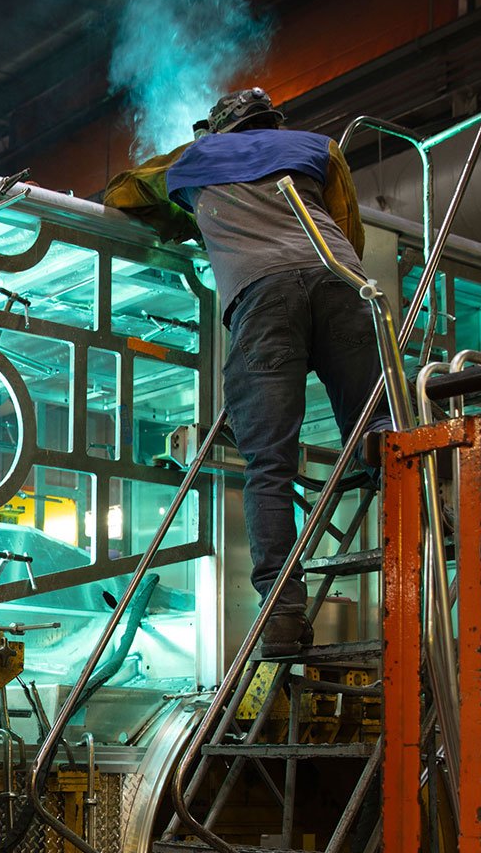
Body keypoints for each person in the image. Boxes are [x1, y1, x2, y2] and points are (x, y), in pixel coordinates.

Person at [163, 86, 391, 658]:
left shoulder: (189, 165)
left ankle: (283, 616)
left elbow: (135, 195)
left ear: (217, 129)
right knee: (381, 434)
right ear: (273, 118)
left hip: (262, 298)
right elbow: (348, 228)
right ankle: (431, 539)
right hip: (342, 281)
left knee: (270, 466)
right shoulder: (317, 147)